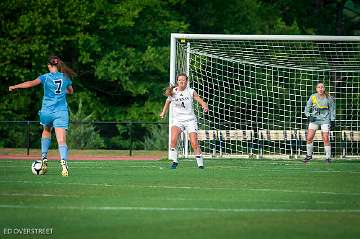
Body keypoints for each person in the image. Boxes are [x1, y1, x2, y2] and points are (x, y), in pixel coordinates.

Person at [9, 56, 75, 176]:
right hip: (61, 111)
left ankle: (44, 158)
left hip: (47, 111)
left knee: (46, 130)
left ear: (49, 66)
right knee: (61, 140)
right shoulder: (65, 77)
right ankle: (64, 163)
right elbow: (71, 91)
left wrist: (15, 86)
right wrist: (61, 91)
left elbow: (30, 84)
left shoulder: (45, 77)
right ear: (58, 65)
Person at [160, 73, 209, 169]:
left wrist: (204, 106)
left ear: (187, 81)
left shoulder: (191, 91)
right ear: (177, 82)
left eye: (183, 80)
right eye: (179, 80)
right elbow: (167, 102)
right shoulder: (173, 92)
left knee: (194, 143)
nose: (181, 82)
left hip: (190, 120)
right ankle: (175, 161)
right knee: (173, 140)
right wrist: (163, 112)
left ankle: (200, 165)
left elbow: (199, 99)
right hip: (178, 121)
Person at [303, 81, 336, 163]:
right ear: (316, 89)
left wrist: (332, 120)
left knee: (325, 138)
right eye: (319, 87)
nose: (320, 89)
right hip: (314, 119)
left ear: (324, 88)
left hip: (325, 120)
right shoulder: (313, 97)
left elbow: (332, 109)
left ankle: (328, 158)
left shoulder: (329, 98)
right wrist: (309, 116)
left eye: (322, 87)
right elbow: (307, 107)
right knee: (309, 137)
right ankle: (309, 156)